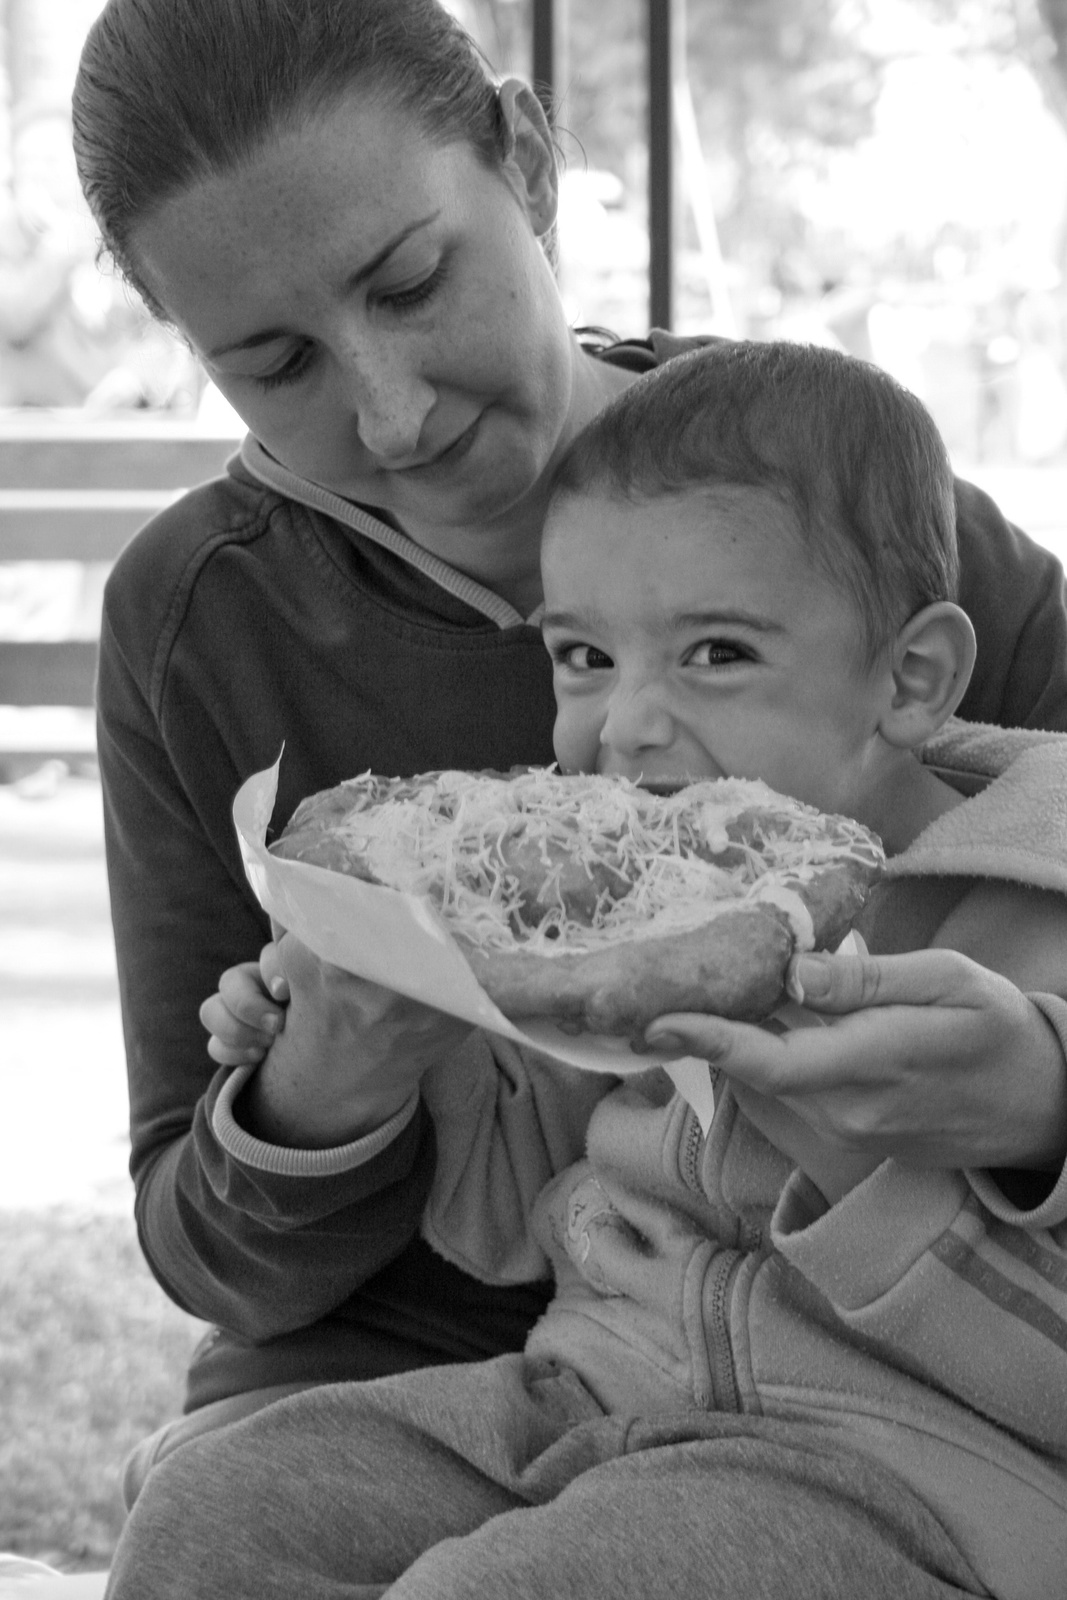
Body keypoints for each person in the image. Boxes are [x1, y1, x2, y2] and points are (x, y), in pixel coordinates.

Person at [73, 0, 1067, 1461]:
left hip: (887, 1362)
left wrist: (1037, 1106)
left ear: (527, 166)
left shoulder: (830, 494)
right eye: (276, 366)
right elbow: (212, 1258)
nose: (394, 415)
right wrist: (325, 1082)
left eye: (411, 284)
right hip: (400, 1359)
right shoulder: (194, 620)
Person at [109, 341, 1067, 1598]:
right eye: (583, 657)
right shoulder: (635, 920)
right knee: (224, 1511)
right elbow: (506, 1219)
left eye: (714, 652)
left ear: (911, 677)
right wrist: (365, 1040)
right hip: (583, 1401)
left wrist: (936, 1155)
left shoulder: (1028, 900)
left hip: (904, 1480)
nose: (623, 727)